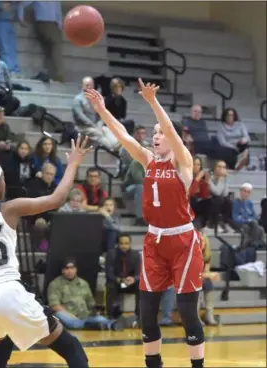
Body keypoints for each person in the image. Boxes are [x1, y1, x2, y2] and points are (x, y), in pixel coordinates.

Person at [0, 135, 91, 368]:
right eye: (2, 177)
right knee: (71, 347)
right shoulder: (10, 209)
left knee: (1, 344)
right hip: (7, 293)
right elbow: (57, 198)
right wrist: (73, 163)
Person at [86, 79, 205, 368]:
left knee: (188, 310)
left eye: (159, 133)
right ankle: (153, 364)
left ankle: (198, 365)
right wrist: (102, 110)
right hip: (155, 241)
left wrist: (153, 102)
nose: (155, 136)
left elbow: (172, 133)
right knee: (146, 310)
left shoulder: (183, 162)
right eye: (152, 133)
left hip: (183, 241)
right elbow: (123, 135)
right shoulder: (148, 160)